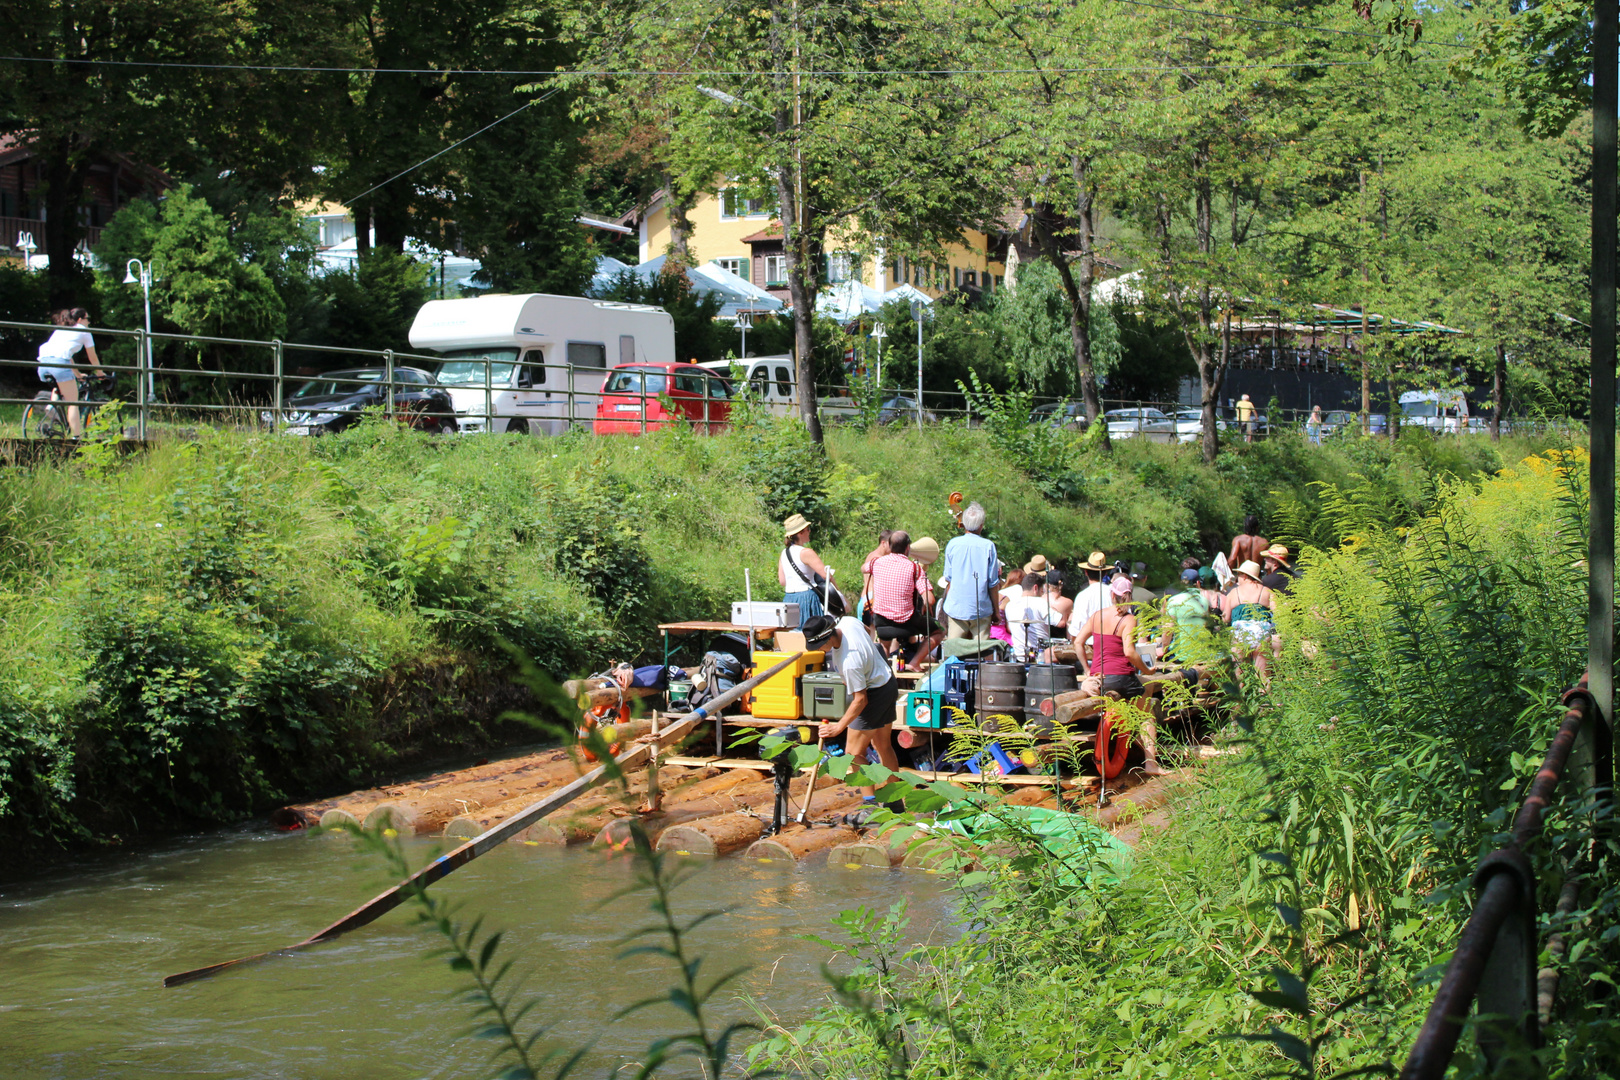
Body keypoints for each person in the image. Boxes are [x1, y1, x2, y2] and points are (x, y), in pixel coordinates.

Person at [803, 614, 901, 814]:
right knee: (883, 745)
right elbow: (867, 631)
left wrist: (837, 727)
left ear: (828, 638)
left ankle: (870, 805)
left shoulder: (850, 660)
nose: (820, 651)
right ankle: (895, 800)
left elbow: (861, 700)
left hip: (873, 693)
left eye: (820, 645)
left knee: (853, 753)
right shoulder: (848, 622)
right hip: (887, 681)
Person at [1075, 574, 1166, 775]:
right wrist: (1147, 670)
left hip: (1101, 679)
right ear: (1129, 596)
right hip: (1122, 678)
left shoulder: (1097, 615)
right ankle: (1151, 764)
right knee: (1146, 714)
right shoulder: (1129, 619)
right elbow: (1129, 652)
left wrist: (1087, 670)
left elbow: (1077, 642)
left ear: (1111, 594)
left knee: (1133, 696)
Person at [868, 531, 943, 670]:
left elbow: (863, 568)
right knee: (939, 632)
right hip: (907, 622)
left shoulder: (876, 563)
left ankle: (884, 672)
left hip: (882, 622)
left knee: (885, 644)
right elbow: (930, 600)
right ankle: (915, 662)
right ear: (908, 548)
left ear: (889, 546)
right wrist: (926, 603)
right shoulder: (914, 568)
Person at [36, 308, 105, 437]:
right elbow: (92, 356)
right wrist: (100, 372)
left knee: (60, 384)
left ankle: (52, 407)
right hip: (59, 364)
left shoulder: (61, 330)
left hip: (43, 364)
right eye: (87, 319)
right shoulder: (84, 332)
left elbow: (67, 357)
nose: (89, 322)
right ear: (80, 319)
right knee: (73, 402)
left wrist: (78, 375)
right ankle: (76, 437)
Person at [938, 501, 1000, 642]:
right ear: (981, 526)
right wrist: (996, 611)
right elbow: (993, 583)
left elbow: (949, 579)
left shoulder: (952, 544)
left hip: (956, 608)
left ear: (964, 524)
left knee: (955, 652)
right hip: (981, 608)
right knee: (981, 652)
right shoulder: (988, 546)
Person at [779, 514, 836, 627]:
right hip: (806, 597)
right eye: (807, 529)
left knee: (792, 634)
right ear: (800, 533)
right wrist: (839, 595)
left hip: (789, 598)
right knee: (812, 632)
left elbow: (782, 581)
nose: (809, 531)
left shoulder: (784, 553)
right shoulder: (806, 552)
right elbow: (826, 576)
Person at [1225, 560, 1278, 678]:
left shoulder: (1233, 593)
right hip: (1261, 630)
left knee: (1239, 674)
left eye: (1238, 575)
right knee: (1264, 675)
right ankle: (1264, 694)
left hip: (1240, 632)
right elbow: (1278, 614)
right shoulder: (1267, 591)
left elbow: (1226, 618)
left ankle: (1243, 695)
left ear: (1244, 576)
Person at [1162, 567, 1219, 665]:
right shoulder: (1204, 601)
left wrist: (1163, 649)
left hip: (1181, 656)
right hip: (1202, 654)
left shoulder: (1174, 601)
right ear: (1198, 583)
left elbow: (1168, 628)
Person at [1006, 571, 1050, 661]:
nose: (1042, 594)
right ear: (1035, 588)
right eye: (1042, 591)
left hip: (1017, 655)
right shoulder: (1040, 602)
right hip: (1040, 655)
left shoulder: (1009, 605)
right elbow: (1060, 623)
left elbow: (1009, 628)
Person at [1071, 551, 1110, 635]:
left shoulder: (1082, 596)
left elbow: (1076, 629)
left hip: (1089, 644)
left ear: (1086, 572)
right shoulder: (1113, 593)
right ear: (1105, 573)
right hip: (1112, 643)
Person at [860, 529, 893, 618]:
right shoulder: (879, 560)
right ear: (883, 543)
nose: (894, 548)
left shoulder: (871, 555)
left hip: (864, 599)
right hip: (872, 600)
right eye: (892, 545)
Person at [1045, 570, 1073, 635]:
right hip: (1062, 641)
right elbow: (1069, 625)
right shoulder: (1067, 602)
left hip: (1043, 639)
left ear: (1047, 585)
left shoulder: (1040, 599)